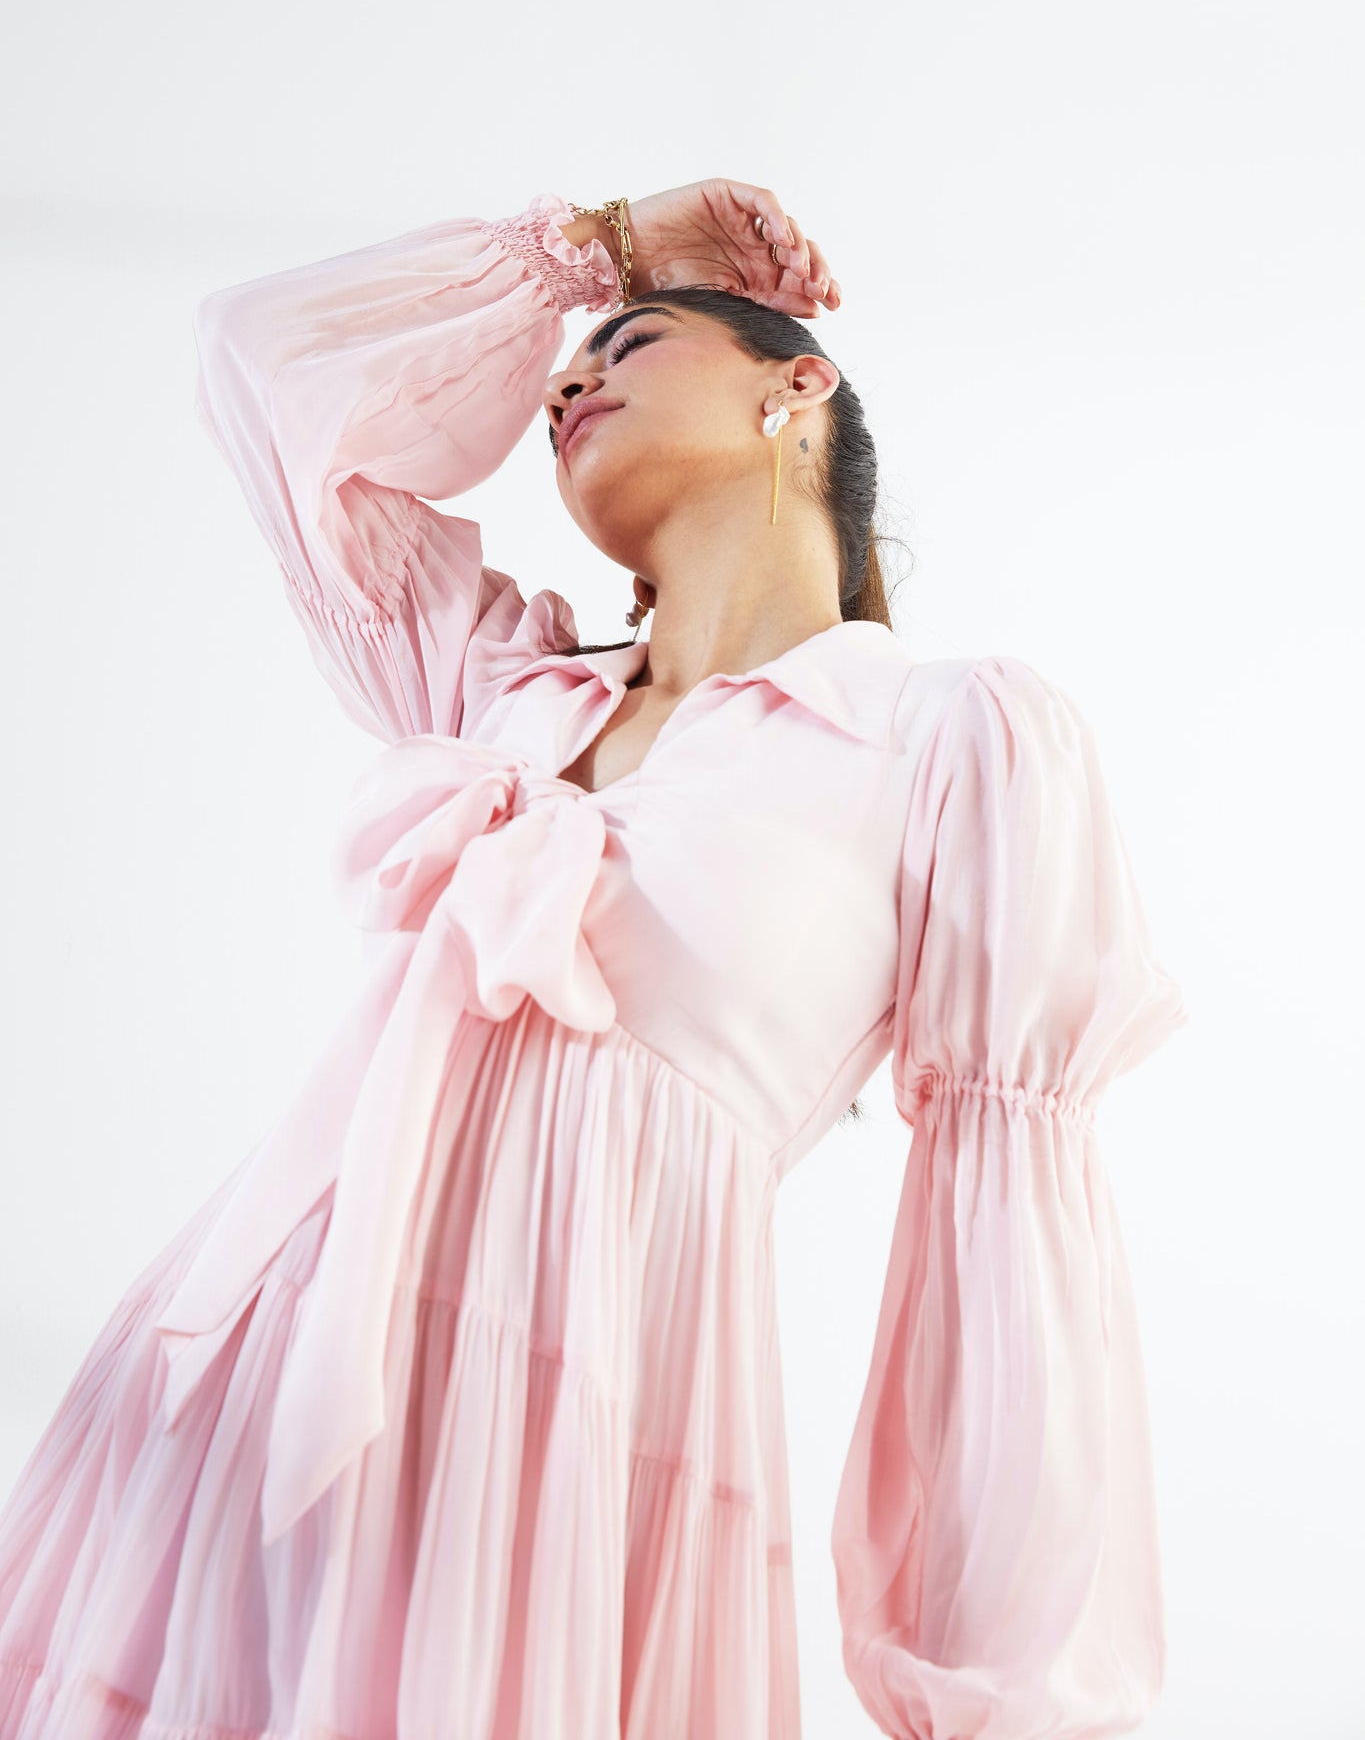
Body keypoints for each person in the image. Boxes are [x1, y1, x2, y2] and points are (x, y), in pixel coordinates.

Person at [0, 179, 1188, 1739]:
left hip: (577, 1454)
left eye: (627, 343)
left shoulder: (949, 737)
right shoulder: (499, 685)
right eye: (564, 364)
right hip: (251, 1381)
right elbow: (258, 361)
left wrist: (998, 1695)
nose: (566, 380)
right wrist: (602, 254)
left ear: (796, 383)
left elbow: (1004, 1224)